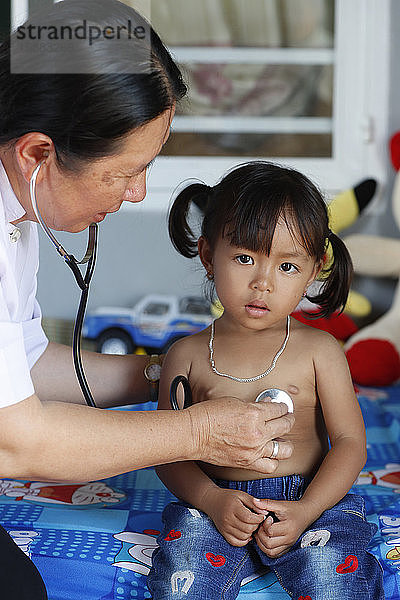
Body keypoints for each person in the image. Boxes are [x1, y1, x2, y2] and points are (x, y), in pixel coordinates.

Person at [0, 3, 295, 599]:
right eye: (125, 172)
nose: (137, 194)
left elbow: (24, 364)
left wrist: (171, 371)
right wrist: (195, 431)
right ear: (38, 154)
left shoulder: (17, 216)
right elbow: (15, 438)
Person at [147, 161, 384, 599]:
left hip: (308, 496)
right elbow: (168, 453)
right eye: (244, 258)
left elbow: (351, 442)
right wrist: (211, 501)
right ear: (207, 256)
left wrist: (306, 509)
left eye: (288, 267)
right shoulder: (187, 355)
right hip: (215, 502)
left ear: (314, 272)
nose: (263, 283)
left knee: (335, 574)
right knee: (180, 579)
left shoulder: (320, 351)